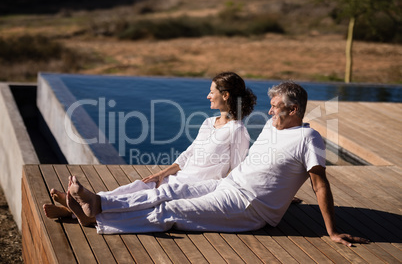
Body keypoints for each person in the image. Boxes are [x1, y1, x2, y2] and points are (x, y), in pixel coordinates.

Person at [66, 80, 369, 247]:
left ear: (293, 110)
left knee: (171, 209)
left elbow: (320, 185)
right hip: (229, 186)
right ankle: (99, 203)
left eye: (275, 108)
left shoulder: (309, 139)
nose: (268, 113)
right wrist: (287, 196)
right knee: (168, 192)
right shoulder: (271, 127)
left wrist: (331, 231)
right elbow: (268, 169)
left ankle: (98, 217)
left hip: (250, 208)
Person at [43, 71, 257, 219]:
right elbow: (188, 154)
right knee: (141, 186)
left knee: (152, 197)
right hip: (181, 177)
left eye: (212, 91)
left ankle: (85, 206)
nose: (208, 95)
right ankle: (80, 207)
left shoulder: (238, 131)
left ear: (225, 95)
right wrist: (161, 174)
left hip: (201, 187)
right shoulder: (209, 122)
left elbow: (236, 172)